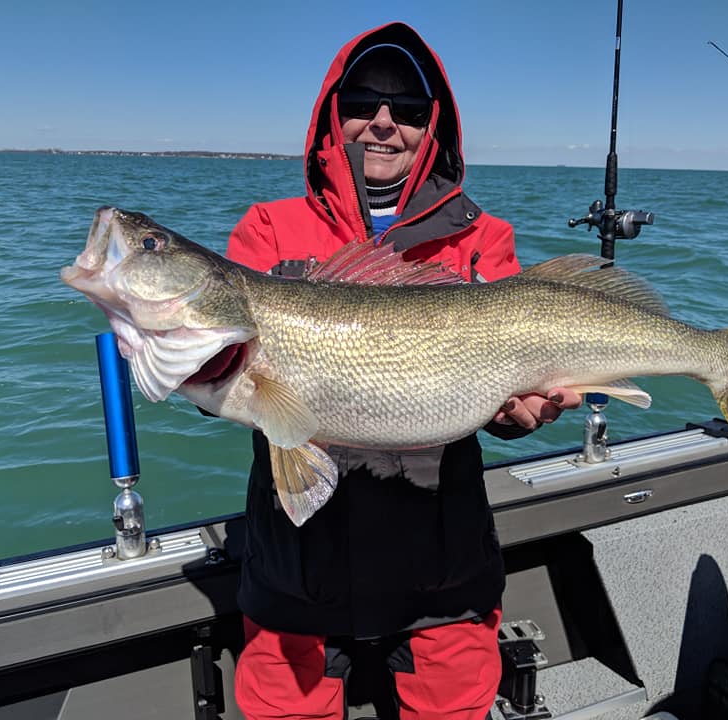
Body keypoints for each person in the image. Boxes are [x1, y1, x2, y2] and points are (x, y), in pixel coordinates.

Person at [225, 22, 582, 720]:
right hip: (295, 574)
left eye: (410, 112)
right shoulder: (268, 229)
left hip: (443, 575)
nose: (384, 123)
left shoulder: (485, 238)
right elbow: (225, 386)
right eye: (361, 102)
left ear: (433, 126)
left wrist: (522, 414)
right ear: (332, 115)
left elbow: (510, 399)